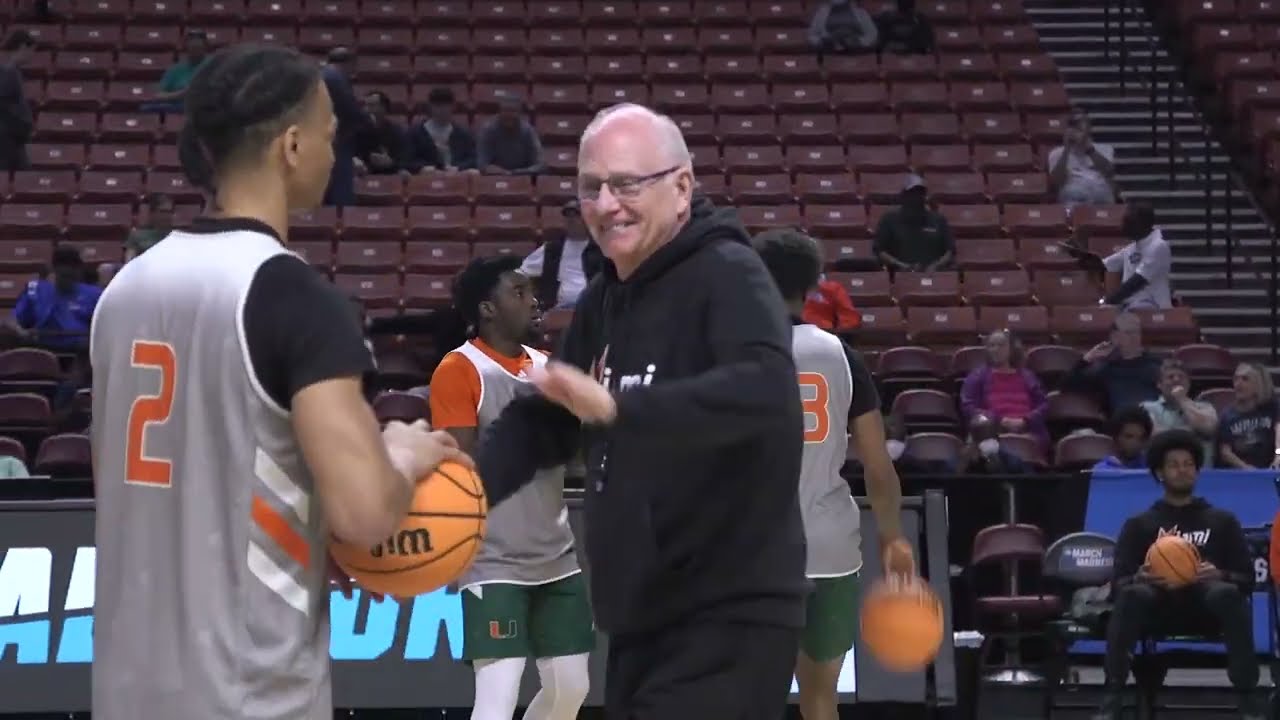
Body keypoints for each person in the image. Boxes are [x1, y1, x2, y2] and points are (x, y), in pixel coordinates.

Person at [88, 44, 467, 720]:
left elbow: (163, 486)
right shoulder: (292, 297)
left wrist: (308, 528)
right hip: (249, 694)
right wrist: (401, 456)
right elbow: (367, 514)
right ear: (291, 146)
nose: (334, 148)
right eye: (329, 133)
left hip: (126, 690)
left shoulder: (124, 290)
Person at [475, 102, 808, 719]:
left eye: (627, 183)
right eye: (591, 188)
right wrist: (465, 490)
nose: (605, 204)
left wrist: (621, 410)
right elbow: (548, 417)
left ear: (682, 187)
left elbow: (765, 392)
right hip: (639, 615)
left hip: (728, 611)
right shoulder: (607, 298)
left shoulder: (729, 272)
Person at [752, 228, 914, 720]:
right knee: (820, 697)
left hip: (754, 550)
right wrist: (892, 538)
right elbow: (877, 465)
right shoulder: (842, 355)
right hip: (830, 546)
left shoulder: (733, 353)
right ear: (812, 285)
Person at [429, 256, 593, 720]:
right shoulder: (459, 369)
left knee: (571, 689)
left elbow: (575, 455)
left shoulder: (548, 367)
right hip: (492, 559)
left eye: (531, 292)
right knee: (497, 697)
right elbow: (462, 468)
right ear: (487, 308)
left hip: (556, 555)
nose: (532, 301)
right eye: (518, 293)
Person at [1097, 429, 1262, 720]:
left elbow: (1247, 579)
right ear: (1160, 473)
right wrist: (1139, 577)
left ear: (1198, 471)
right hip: (1155, 607)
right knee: (1132, 594)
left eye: (1188, 464)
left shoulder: (1222, 521)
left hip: (1206, 607)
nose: (1182, 470)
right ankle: (1112, 697)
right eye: (1173, 465)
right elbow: (1118, 583)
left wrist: (1220, 574)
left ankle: (1248, 699)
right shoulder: (1140, 524)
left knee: (1226, 592)